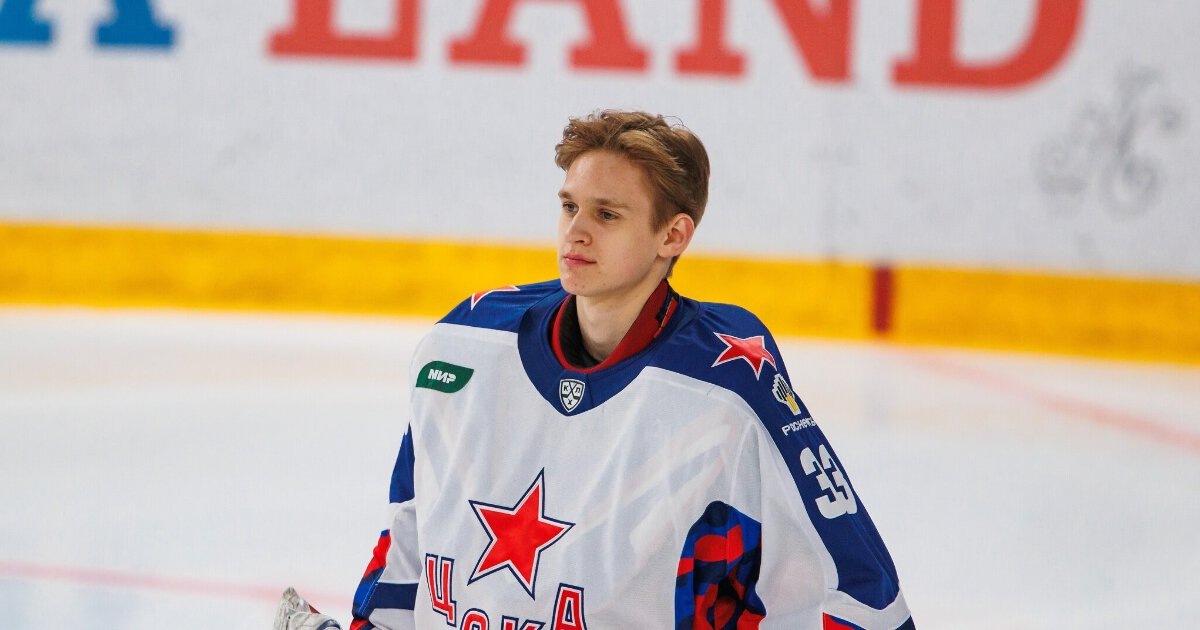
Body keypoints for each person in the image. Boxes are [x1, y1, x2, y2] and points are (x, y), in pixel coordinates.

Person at [346, 110, 914, 629]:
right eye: (569, 206)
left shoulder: (723, 388)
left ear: (673, 235)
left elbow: (859, 597)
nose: (576, 231)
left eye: (607, 214)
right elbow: (406, 551)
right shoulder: (464, 345)